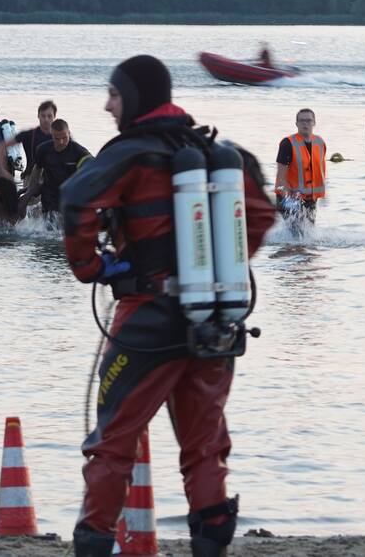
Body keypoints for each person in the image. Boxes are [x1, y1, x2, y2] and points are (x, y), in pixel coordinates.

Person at [60, 55, 275, 557]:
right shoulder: (216, 152)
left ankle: (93, 542)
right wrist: (223, 264)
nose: (108, 105)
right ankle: (211, 544)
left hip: (147, 320)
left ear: (137, 98)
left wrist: (90, 267)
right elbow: (262, 213)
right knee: (205, 447)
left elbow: (75, 201)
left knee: (113, 440)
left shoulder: (131, 153)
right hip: (216, 318)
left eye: (114, 94)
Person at [21, 118, 90, 219]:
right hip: (49, 193)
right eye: (57, 139)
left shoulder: (79, 151)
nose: (61, 142)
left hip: (70, 194)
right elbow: (37, 169)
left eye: (64, 138)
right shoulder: (42, 149)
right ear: (51, 135)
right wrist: (30, 191)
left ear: (69, 133)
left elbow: (93, 170)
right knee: (50, 223)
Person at [274, 108, 326, 231]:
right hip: (289, 197)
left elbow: (319, 171)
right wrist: (289, 195)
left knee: (308, 235)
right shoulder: (287, 143)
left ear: (314, 122)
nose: (305, 123)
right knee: (297, 234)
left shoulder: (320, 143)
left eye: (308, 120)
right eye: (302, 121)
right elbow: (280, 176)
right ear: (296, 123)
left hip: (311, 198)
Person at [0, 99, 57, 185]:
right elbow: (1, 146)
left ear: (54, 116)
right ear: (38, 116)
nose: (46, 119)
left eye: (49, 116)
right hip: (31, 178)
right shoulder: (29, 134)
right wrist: (3, 169)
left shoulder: (61, 136)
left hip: (54, 178)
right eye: (43, 116)